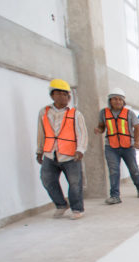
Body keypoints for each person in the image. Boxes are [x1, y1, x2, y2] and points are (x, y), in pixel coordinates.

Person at [35, 79, 88, 220]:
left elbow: (82, 133)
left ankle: (77, 208)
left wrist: (80, 149)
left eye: (65, 94)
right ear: (52, 95)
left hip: (70, 155)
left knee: (75, 183)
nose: (63, 97)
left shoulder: (75, 114)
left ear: (69, 97)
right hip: (50, 154)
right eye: (59, 93)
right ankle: (61, 205)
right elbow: (41, 132)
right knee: (47, 179)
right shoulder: (44, 112)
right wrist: (39, 150)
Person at [93, 88, 139, 204]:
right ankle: (115, 196)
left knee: (133, 169)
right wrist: (99, 130)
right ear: (110, 101)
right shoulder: (104, 113)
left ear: (123, 101)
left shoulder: (129, 113)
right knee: (114, 171)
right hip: (111, 146)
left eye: (120, 99)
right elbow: (102, 126)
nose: (117, 101)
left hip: (128, 146)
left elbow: (137, 128)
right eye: (115, 99)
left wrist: (137, 142)